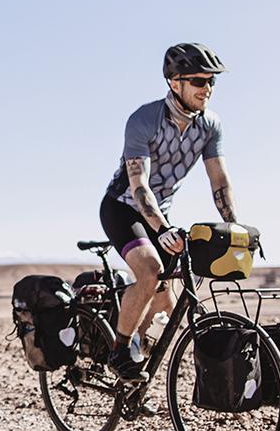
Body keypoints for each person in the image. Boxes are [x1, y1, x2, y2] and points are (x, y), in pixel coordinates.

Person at [99, 43, 242, 379]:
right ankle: (119, 352)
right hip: (124, 209)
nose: (206, 89)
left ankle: (137, 365)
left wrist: (233, 226)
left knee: (167, 300)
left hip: (160, 215)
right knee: (150, 271)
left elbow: (219, 179)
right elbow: (139, 185)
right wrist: (161, 229)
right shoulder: (144, 119)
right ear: (175, 82)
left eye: (211, 82)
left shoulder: (209, 126)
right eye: (198, 81)